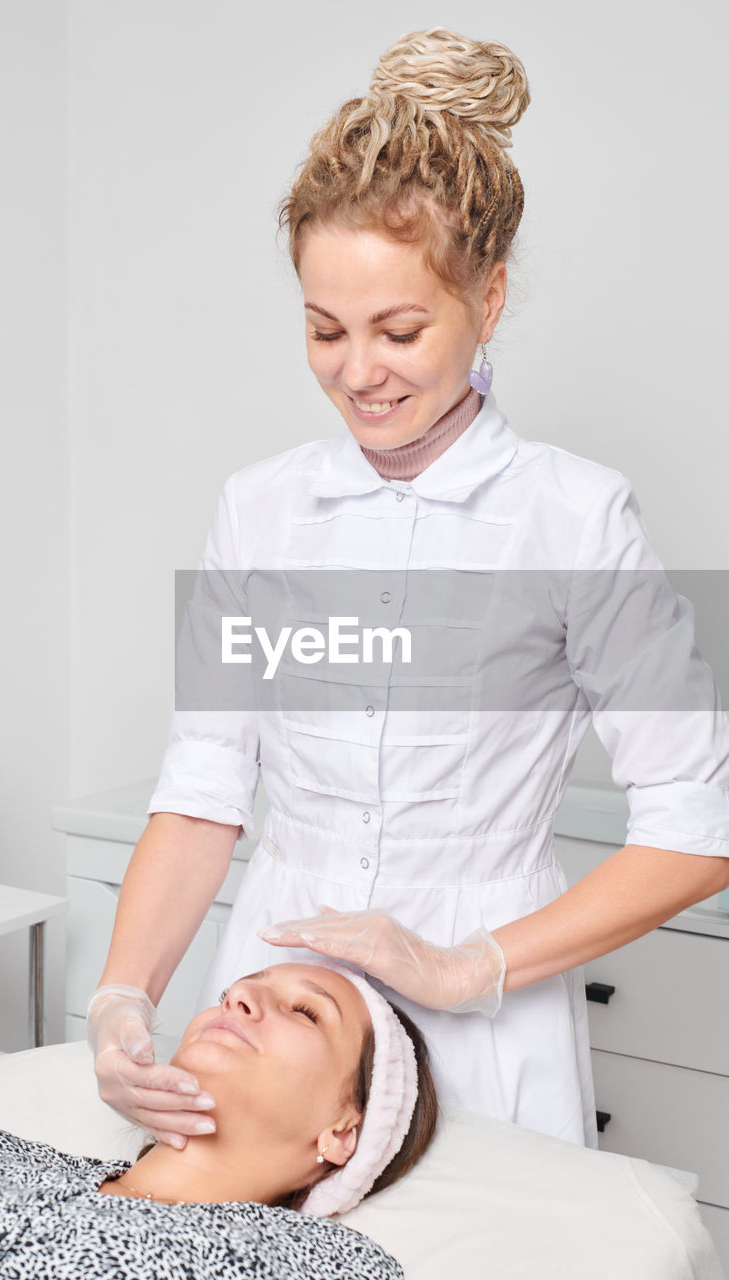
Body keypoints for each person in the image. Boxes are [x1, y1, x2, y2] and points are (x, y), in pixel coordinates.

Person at [88, 26, 729, 1153]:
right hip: (275, 996)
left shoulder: (572, 517)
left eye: (398, 329)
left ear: (486, 302)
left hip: (484, 1023)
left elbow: (695, 827)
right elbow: (204, 787)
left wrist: (460, 963)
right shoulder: (260, 509)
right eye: (323, 328)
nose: (356, 370)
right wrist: (120, 996)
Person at [0, 963, 437, 1280]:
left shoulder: (326, 1265)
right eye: (235, 990)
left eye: (306, 1012)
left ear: (344, 1132)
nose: (238, 995)